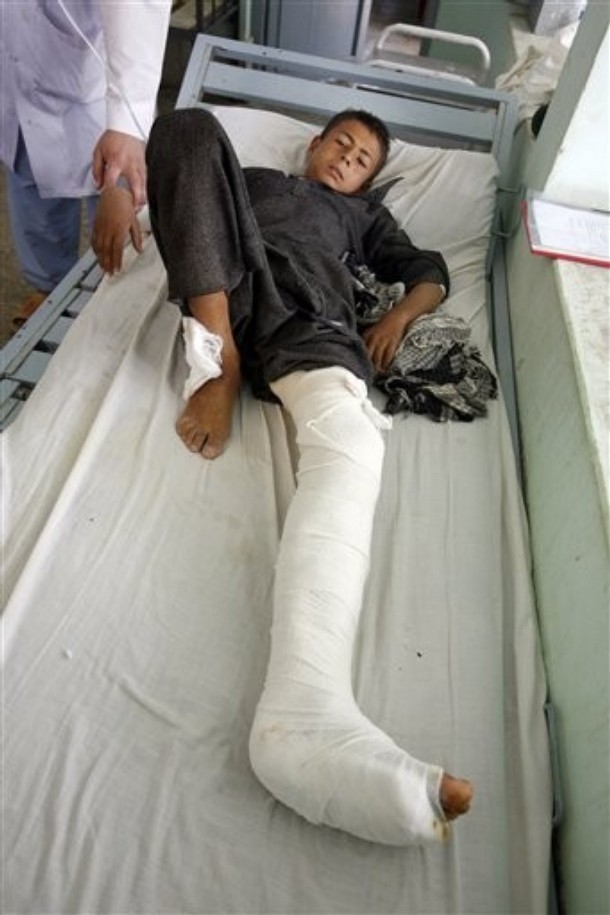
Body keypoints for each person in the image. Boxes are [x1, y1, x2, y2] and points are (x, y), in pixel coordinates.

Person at [97, 106, 474, 845]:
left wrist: (398, 317)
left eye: (362, 159)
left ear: (368, 181)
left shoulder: (364, 219)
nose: (346, 158)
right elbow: (182, 187)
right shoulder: (256, 179)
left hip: (315, 318)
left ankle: (304, 715)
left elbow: (430, 271)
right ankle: (220, 362)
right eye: (340, 143)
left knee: (351, 443)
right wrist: (116, 192)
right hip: (229, 285)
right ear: (314, 144)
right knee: (187, 126)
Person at [1, 0, 171, 328]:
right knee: (30, 171)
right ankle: (49, 290)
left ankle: (118, 303)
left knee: (123, 208)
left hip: (95, 76)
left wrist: (126, 122)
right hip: (15, 56)